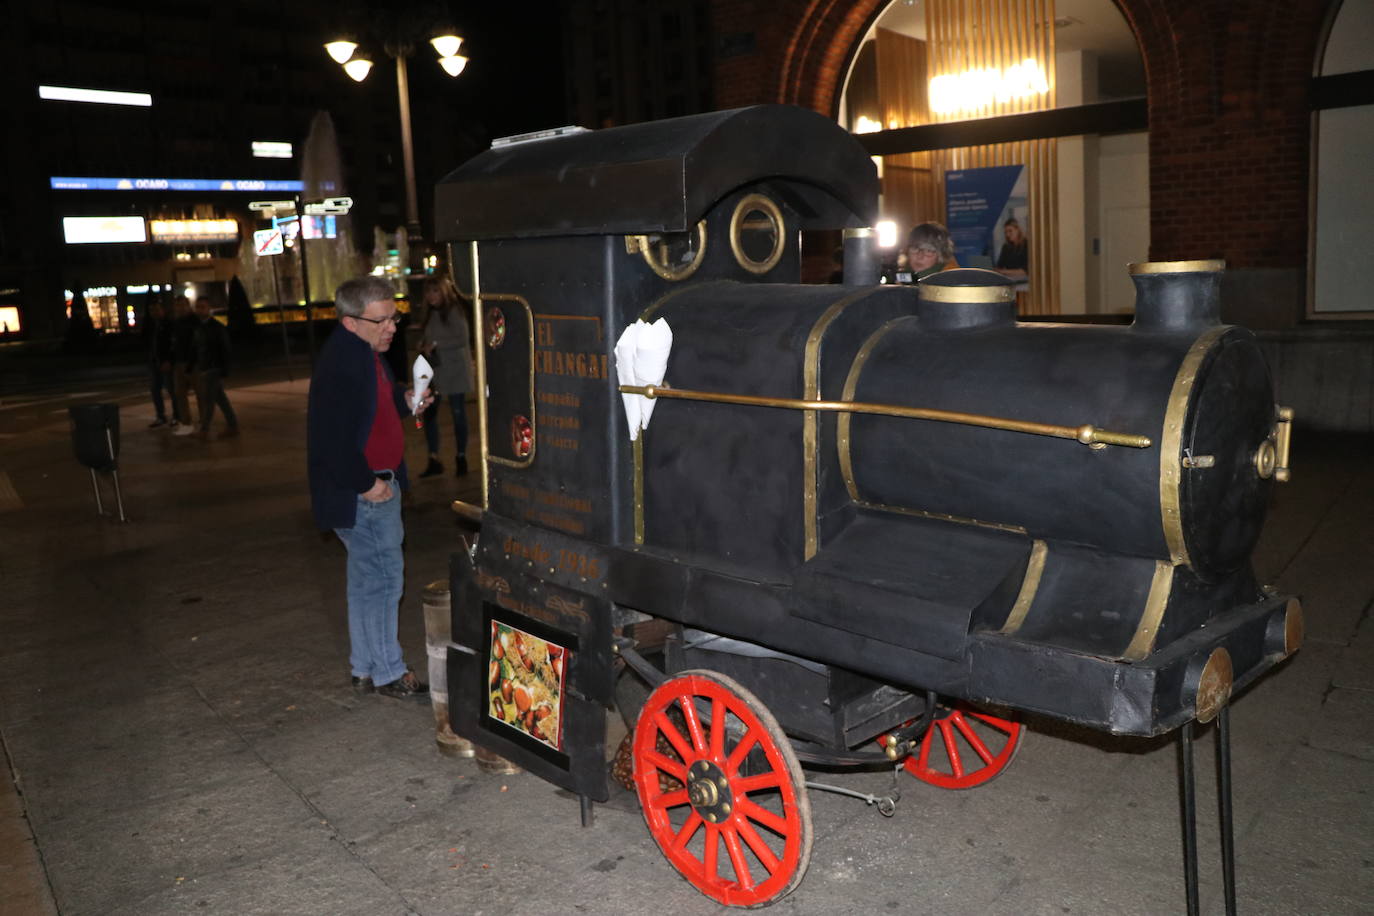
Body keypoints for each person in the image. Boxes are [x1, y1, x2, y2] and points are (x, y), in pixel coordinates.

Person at [307, 276, 435, 701]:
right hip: (365, 490)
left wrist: (407, 402)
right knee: (383, 582)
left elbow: (374, 410)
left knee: (366, 583)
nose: (392, 327)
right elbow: (333, 439)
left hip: (365, 485)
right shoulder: (345, 364)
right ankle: (388, 672)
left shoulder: (363, 353)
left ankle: (365, 668)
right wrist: (368, 485)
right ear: (349, 322)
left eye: (394, 317)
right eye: (381, 320)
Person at [416, 276, 474, 478]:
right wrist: (424, 345)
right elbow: (429, 336)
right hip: (436, 370)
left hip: (455, 370)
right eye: (428, 292)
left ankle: (461, 456)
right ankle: (434, 458)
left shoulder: (454, 311)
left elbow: (462, 339)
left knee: (458, 413)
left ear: (443, 291)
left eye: (435, 291)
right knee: (429, 414)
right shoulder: (430, 313)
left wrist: (436, 344)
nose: (431, 296)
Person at [189, 298, 238, 439]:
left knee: (209, 399)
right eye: (198, 307)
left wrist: (224, 369)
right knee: (219, 398)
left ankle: (205, 430)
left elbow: (225, 349)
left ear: (209, 308)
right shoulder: (199, 327)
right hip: (206, 367)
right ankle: (232, 425)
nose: (200, 310)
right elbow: (197, 348)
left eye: (203, 307)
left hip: (214, 367)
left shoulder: (216, 327)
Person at [170, 296, 199, 435]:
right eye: (178, 306)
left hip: (193, 362)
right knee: (179, 393)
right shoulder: (177, 322)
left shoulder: (194, 321)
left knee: (200, 393)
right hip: (179, 362)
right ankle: (186, 422)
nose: (180, 308)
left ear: (188, 306)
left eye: (183, 305)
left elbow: (196, 343)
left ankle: (204, 422)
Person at [143, 301, 172, 428]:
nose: (154, 313)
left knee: (172, 390)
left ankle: (177, 416)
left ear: (162, 310)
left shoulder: (167, 324)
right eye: (151, 310)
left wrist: (168, 360)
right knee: (155, 390)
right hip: (154, 362)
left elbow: (171, 344)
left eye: (156, 309)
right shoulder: (151, 325)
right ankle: (160, 416)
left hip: (164, 362)